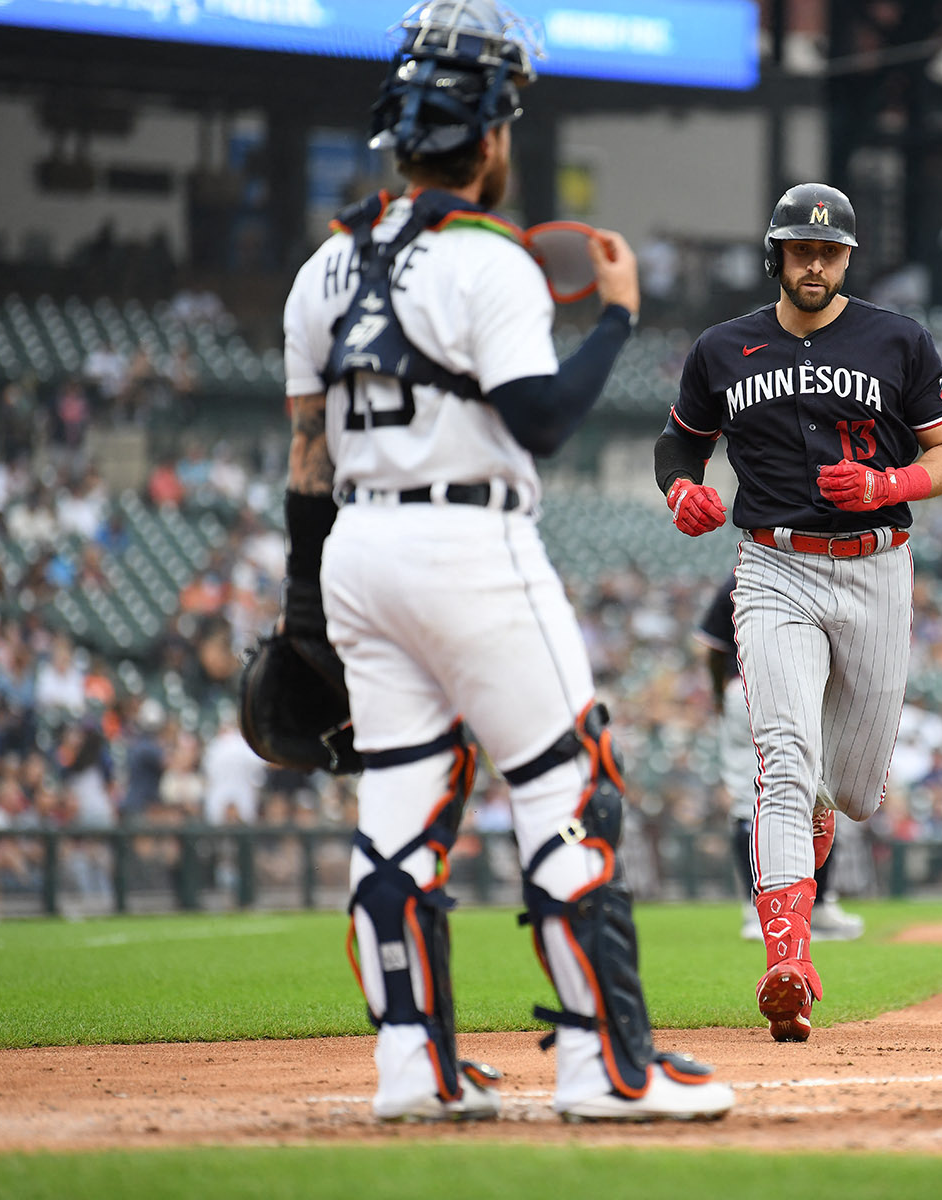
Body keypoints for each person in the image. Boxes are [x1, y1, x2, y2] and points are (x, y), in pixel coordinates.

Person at [277, 0, 731, 1124]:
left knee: (402, 803)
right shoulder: (491, 262)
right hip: (467, 542)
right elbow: (538, 420)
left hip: (356, 554)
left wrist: (301, 616)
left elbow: (304, 458)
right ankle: (607, 1065)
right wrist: (618, 323)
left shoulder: (321, 270)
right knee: (568, 785)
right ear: (488, 138)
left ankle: (412, 1069)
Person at [654, 182, 942, 1041]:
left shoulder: (896, 339)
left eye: (830, 252)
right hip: (774, 567)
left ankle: (828, 810)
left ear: (848, 259)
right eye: (802, 249)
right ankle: (786, 959)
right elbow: (680, 438)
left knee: (859, 791)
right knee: (783, 758)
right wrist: (682, 484)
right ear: (777, 255)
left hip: (876, 568)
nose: (817, 263)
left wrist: (888, 484)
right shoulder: (726, 347)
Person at [694, 573, 865, 943]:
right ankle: (786, 909)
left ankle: (791, 908)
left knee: (767, 800)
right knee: (807, 794)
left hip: (755, 689)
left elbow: (714, 649)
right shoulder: (808, 568)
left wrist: (722, 698)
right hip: (772, 689)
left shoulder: (740, 577)